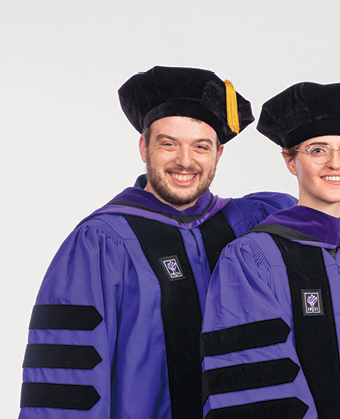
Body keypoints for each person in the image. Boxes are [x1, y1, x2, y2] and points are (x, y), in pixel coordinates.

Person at [19, 66, 296, 419]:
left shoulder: (249, 223)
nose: (185, 160)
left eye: (200, 146)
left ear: (218, 154)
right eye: (169, 144)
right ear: (143, 147)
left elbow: (335, 223)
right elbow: (67, 377)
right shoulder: (101, 243)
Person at [200, 82, 340, 419]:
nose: (337, 163)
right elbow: (253, 380)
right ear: (290, 160)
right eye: (318, 150)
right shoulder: (251, 260)